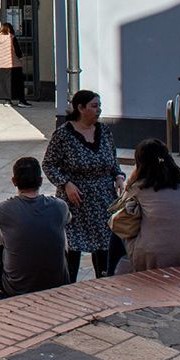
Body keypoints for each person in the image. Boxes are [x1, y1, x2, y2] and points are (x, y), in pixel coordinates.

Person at [42, 90, 125, 280]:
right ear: (80, 108)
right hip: (76, 201)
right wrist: (66, 183)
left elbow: (112, 159)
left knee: (104, 247)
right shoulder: (63, 135)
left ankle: (103, 284)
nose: (99, 110)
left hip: (103, 200)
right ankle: (68, 287)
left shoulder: (104, 131)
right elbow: (48, 164)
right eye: (94, 106)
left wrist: (119, 176)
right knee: (73, 249)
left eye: (99, 106)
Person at [0, 156, 71, 302]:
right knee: (60, 224)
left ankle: (2, 290)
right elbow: (69, 219)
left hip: (17, 288)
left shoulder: (5, 209)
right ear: (40, 181)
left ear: (14, 181)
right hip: (58, 282)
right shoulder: (59, 205)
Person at [113, 139, 180, 274]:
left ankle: (108, 275)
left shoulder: (139, 188)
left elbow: (120, 210)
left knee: (118, 228)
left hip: (155, 259)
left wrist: (132, 178)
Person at [0, 23, 31, 108]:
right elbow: (17, 50)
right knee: (18, 83)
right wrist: (21, 59)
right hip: (12, 64)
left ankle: (7, 101)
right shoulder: (11, 37)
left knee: (5, 84)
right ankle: (21, 101)